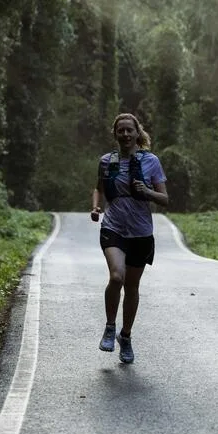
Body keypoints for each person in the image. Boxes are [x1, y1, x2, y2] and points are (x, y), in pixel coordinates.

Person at [90, 113, 169, 364]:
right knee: (116, 276)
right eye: (120, 131)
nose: (125, 135)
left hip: (141, 232)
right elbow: (99, 188)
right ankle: (110, 326)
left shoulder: (151, 161)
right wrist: (96, 206)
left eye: (129, 130)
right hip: (113, 227)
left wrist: (146, 191)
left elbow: (165, 198)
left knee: (132, 287)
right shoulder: (106, 161)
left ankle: (126, 336)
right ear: (115, 134)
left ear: (137, 133)